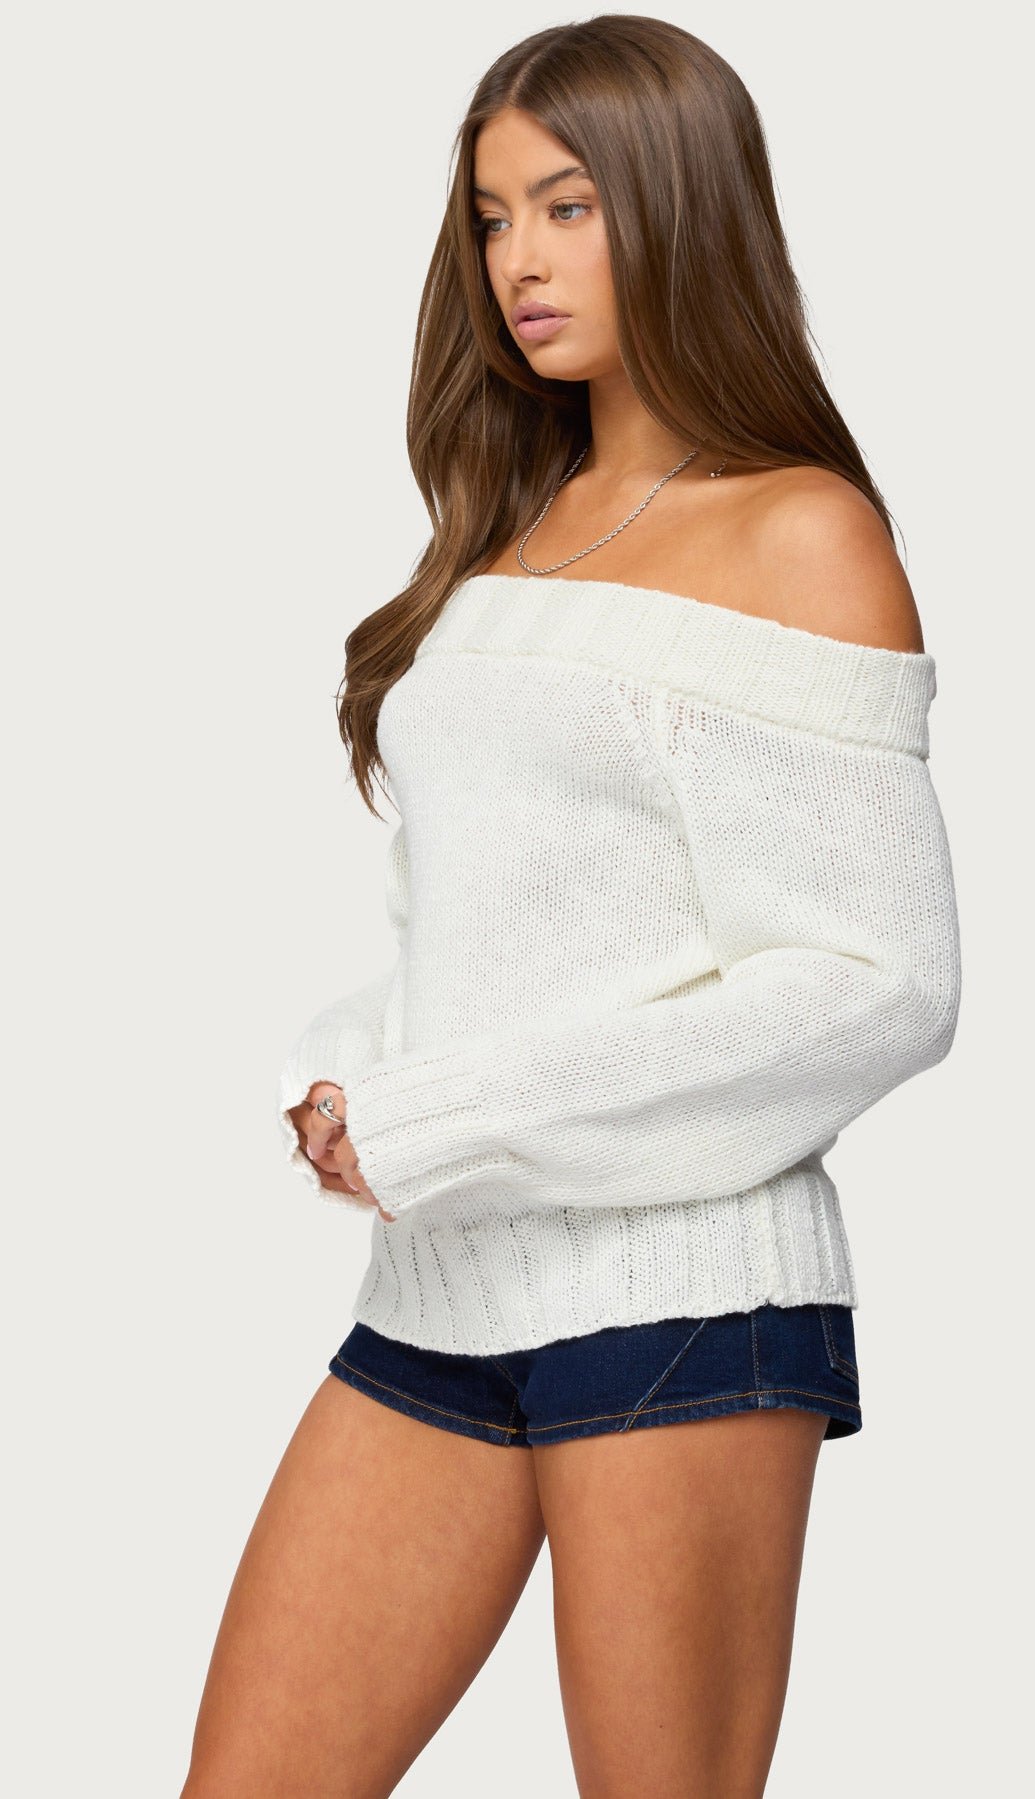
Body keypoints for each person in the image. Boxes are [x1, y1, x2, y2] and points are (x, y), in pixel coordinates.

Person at [182, 16, 961, 1797]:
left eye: (567, 206)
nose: (517, 260)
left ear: (682, 208)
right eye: (489, 218)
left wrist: (447, 1120)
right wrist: (353, 1079)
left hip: (683, 1298)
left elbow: (879, 984)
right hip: (445, 1285)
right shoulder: (508, 533)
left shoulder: (800, 532)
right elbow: (466, 927)